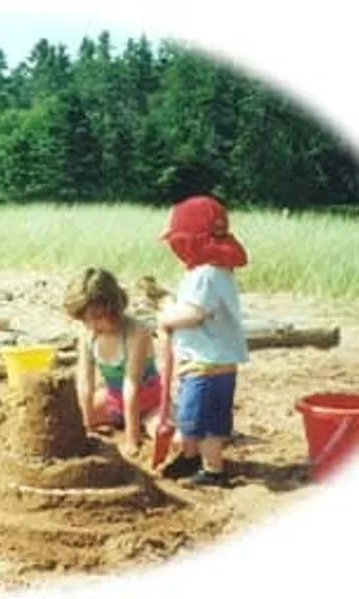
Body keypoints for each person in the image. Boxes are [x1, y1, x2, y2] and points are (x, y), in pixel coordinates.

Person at [157, 193, 249, 488]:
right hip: (205, 362)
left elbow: (195, 313)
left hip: (207, 365)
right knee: (193, 417)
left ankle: (212, 470)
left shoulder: (206, 274)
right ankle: (190, 457)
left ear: (191, 241)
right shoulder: (211, 270)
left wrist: (167, 317)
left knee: (203, 422)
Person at [63, 267, 163, 457]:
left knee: (164, 433)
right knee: (67, 418)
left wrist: (132, 438)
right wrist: (88, 426)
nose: (92, 326)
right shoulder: (88, 334)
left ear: (113, 308)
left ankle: (143, 426)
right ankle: (114, 421)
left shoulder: (137, 332)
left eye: (97, 318)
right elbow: (85, 382)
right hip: (113, 402)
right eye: (85, 321)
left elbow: (131, 385)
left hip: (148, 404)